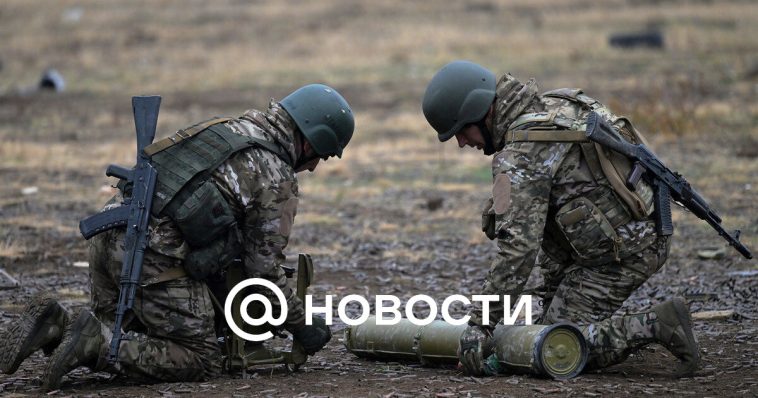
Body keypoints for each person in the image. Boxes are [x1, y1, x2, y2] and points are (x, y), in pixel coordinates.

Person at [0, 83, 354, 389]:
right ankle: (94, 346)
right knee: (199, 358)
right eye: (320, 157)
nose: (312, 168)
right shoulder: (275, 175)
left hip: (109, 235)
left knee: (119, 331)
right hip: (149, 255)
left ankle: (57, 323)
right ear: (312, 141)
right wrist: (303, 325)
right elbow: (263, 277)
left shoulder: (227, 129)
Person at [421, 60, 700, 377]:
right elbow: (556, 215)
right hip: (632, 233)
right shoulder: (555, 105)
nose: (462, 143)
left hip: (624, 253)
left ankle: (658, 325)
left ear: (479, 113)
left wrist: (480, 324)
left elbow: (518, 248)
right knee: (543, 332)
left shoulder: (519, 156)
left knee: (552, 347)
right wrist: (551, 294)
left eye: (462, 131)